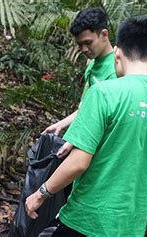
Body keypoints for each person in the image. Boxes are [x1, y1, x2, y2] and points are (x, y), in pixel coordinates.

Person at [25, 16, 147, 236]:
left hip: (85, 221)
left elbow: (78, 163)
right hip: (130, 228)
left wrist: (40, 194)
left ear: (117, 52)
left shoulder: (104, 93)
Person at [43, 7, 116, 157]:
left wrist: (77, 141)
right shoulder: (92, 62)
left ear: (104, 34)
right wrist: (60, 124)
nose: (83, 49)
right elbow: (86, 108)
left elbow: (106, 119)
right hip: (79, 140)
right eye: (79, 44)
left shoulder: (116, 69)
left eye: (88, 42)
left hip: (94, 149)